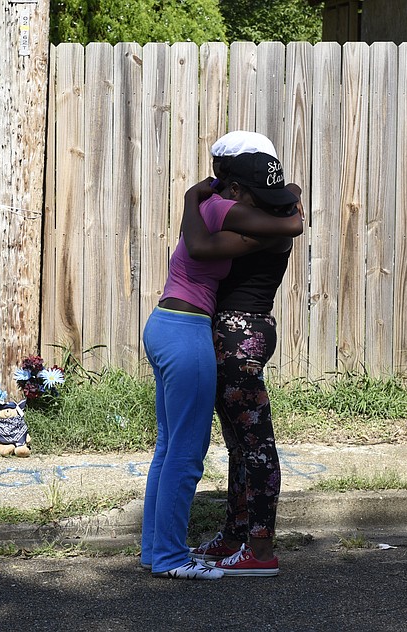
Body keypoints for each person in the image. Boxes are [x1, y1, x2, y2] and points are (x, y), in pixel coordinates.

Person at [141, 145, 302, 580]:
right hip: (190, 332)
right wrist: (292, 215)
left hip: (169, 325)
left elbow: (287, 201)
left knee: (177, 448)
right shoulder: (223, 211)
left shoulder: (210, 206)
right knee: (191, 455)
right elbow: (286, 216)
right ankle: (176, 557)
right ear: (232, 187)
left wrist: (195, 197)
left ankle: (160, 551)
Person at [187, 136, 304, 577]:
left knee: (255, 443)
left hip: (239, 333)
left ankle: (260, 548)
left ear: (240, 191)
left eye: (229, 186)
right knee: (239, 442)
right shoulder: (278, 209)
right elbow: (292, 193)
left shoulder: (258, 228)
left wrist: (196, 197)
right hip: (245, 331)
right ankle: (235, 536)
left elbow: (199, 246)